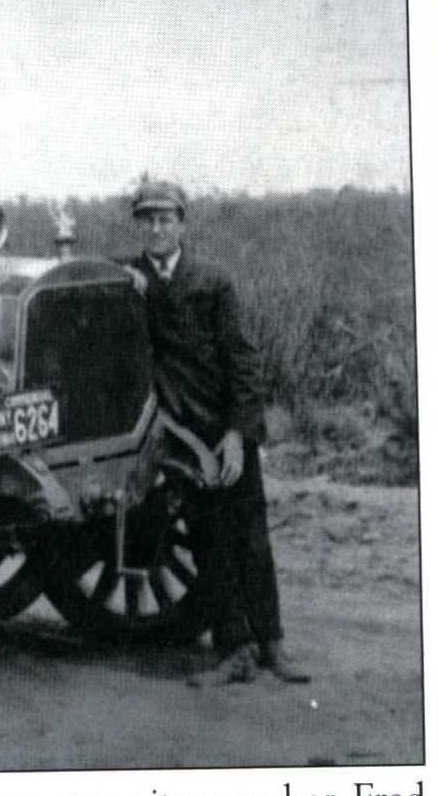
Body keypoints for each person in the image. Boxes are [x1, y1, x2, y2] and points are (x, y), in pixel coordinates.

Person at [125, 180, 309, 686]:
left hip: (225, 425)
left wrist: (237, 433)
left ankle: (273, 644)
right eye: (147, 220)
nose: (157, 229)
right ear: (138, 226)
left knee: (250, 534)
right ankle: (235, 651)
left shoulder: (212, 282)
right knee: (209, 539)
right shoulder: (129, 281)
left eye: (166, 220)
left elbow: (244, 361)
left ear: (182, 225)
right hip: (177, 433)